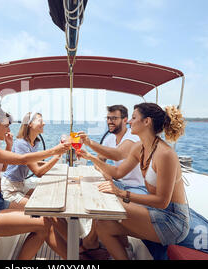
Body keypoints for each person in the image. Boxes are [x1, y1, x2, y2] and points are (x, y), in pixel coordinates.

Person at [77, 102, 189, 259]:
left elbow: (162, 202)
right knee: (102, 225)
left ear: (147, 121)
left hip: (172, 221)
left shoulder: (165, 154)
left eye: (134, 117)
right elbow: (117, 172)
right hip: (155, 211)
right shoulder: (139, 147)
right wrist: (90, 157)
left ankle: (89, 244)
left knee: (106, 206)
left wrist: (121, 193)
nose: (129, 121)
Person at [0, 104, 70, 260]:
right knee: (44, 223)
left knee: (46, 219)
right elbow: (22, 160)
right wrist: (55, 151)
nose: (9, 131)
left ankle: (76, 255)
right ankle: (78, 258)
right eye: (6, 127)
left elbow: (2, 168)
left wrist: (9, 145)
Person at [76, 105, 147, 257]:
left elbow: (117, 155)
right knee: (93, 189)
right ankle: (96, 242)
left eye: (114, 118)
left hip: (136, 188)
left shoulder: (132, 138)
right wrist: (86, 157)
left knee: (101, 200)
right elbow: (100, 161)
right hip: (119, 181)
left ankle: (93, 242)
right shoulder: (109, 139)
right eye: (108, 118)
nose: (110, 121)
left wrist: (89, 143)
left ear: (125, 120)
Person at [1, 112, 61, 207]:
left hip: (22, 184)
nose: (44, 123)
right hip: (11, 188)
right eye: (40, 121)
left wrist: (52, 163)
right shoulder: (21, 143)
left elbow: (32, 162)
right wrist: (57, 155)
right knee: (41, 205)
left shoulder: (35, 143)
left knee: (48, 195)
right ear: (30, 124)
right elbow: (38, 172)